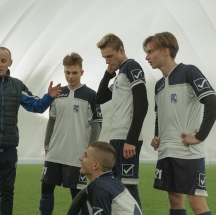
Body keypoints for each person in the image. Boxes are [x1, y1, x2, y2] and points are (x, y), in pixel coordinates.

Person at [0, 47, 62, 215]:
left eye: (3, 61)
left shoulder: (17, 85)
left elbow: (36, 106)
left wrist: (48, 97)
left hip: (8, 150)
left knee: (7, 194)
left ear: (10, 63)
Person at [144, 32, 216, 215]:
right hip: (166, 150)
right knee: (174, 199)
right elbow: (159, 115)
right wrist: (157, 137)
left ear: (166, 51)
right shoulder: (159, 84)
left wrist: (199, 137)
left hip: (187, 151)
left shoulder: (189, 72)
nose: (147, 57)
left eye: (151, 51)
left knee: (196, 202)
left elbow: (212, 101)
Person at [39, 53, 102, 215]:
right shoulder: (58, 93)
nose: (70, 76)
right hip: (55, 152)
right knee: (46, 188)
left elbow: (97, 124)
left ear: (82, 72)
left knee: (77, 195)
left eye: (74, 72)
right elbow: (51, 120)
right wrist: (47, 143)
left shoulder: (90, 95)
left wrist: (90, 152)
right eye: (67, 72)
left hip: (77, 155)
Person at [95, 33, 148, 207]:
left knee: (128, 188)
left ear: (121, 49)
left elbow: (142, 104)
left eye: (109, 56)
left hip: (127, 140)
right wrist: (108, 73)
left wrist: (131, 140)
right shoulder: (119, 75)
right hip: (116, 139)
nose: (107, 61)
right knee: (118, 188)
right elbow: (100, 98)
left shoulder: (132, 66)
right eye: (104, 58)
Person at [68, 141, 142, 215]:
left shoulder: (99, 187)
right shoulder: (112, 182)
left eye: (86, 156)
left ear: (95, 165)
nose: (81, 158)